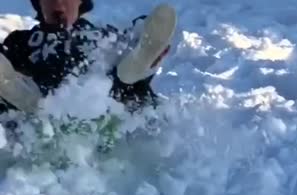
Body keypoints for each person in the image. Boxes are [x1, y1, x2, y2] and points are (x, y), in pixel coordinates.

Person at [0, 0, 174, 113]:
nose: (58, 3)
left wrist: (150, 55)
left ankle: (136, 63)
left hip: (105, 110)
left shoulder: (104, 36)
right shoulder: (21, 42)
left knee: (124, 64)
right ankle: (30, 101)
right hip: (40, 123)